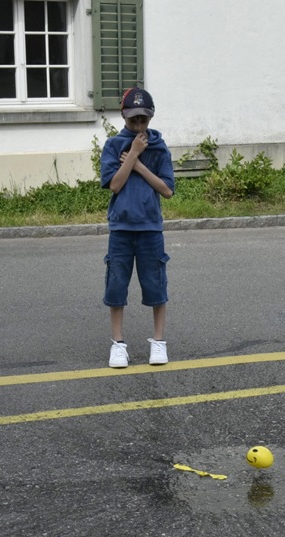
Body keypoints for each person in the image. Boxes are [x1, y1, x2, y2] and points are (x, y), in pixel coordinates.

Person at [100, 87, 175, 368]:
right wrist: (132, 153)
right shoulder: (112, 146)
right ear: (123, 116)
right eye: (133, 120)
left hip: (150, 228)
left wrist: (140, 165)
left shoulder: (158, 147)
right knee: (117, 285)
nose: (138, 126)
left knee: (155, 284)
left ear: (151, 118)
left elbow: (167, 190)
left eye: (143, 120)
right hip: (121, 228)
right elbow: (115, 185)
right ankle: (118, 344)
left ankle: (159, 342)